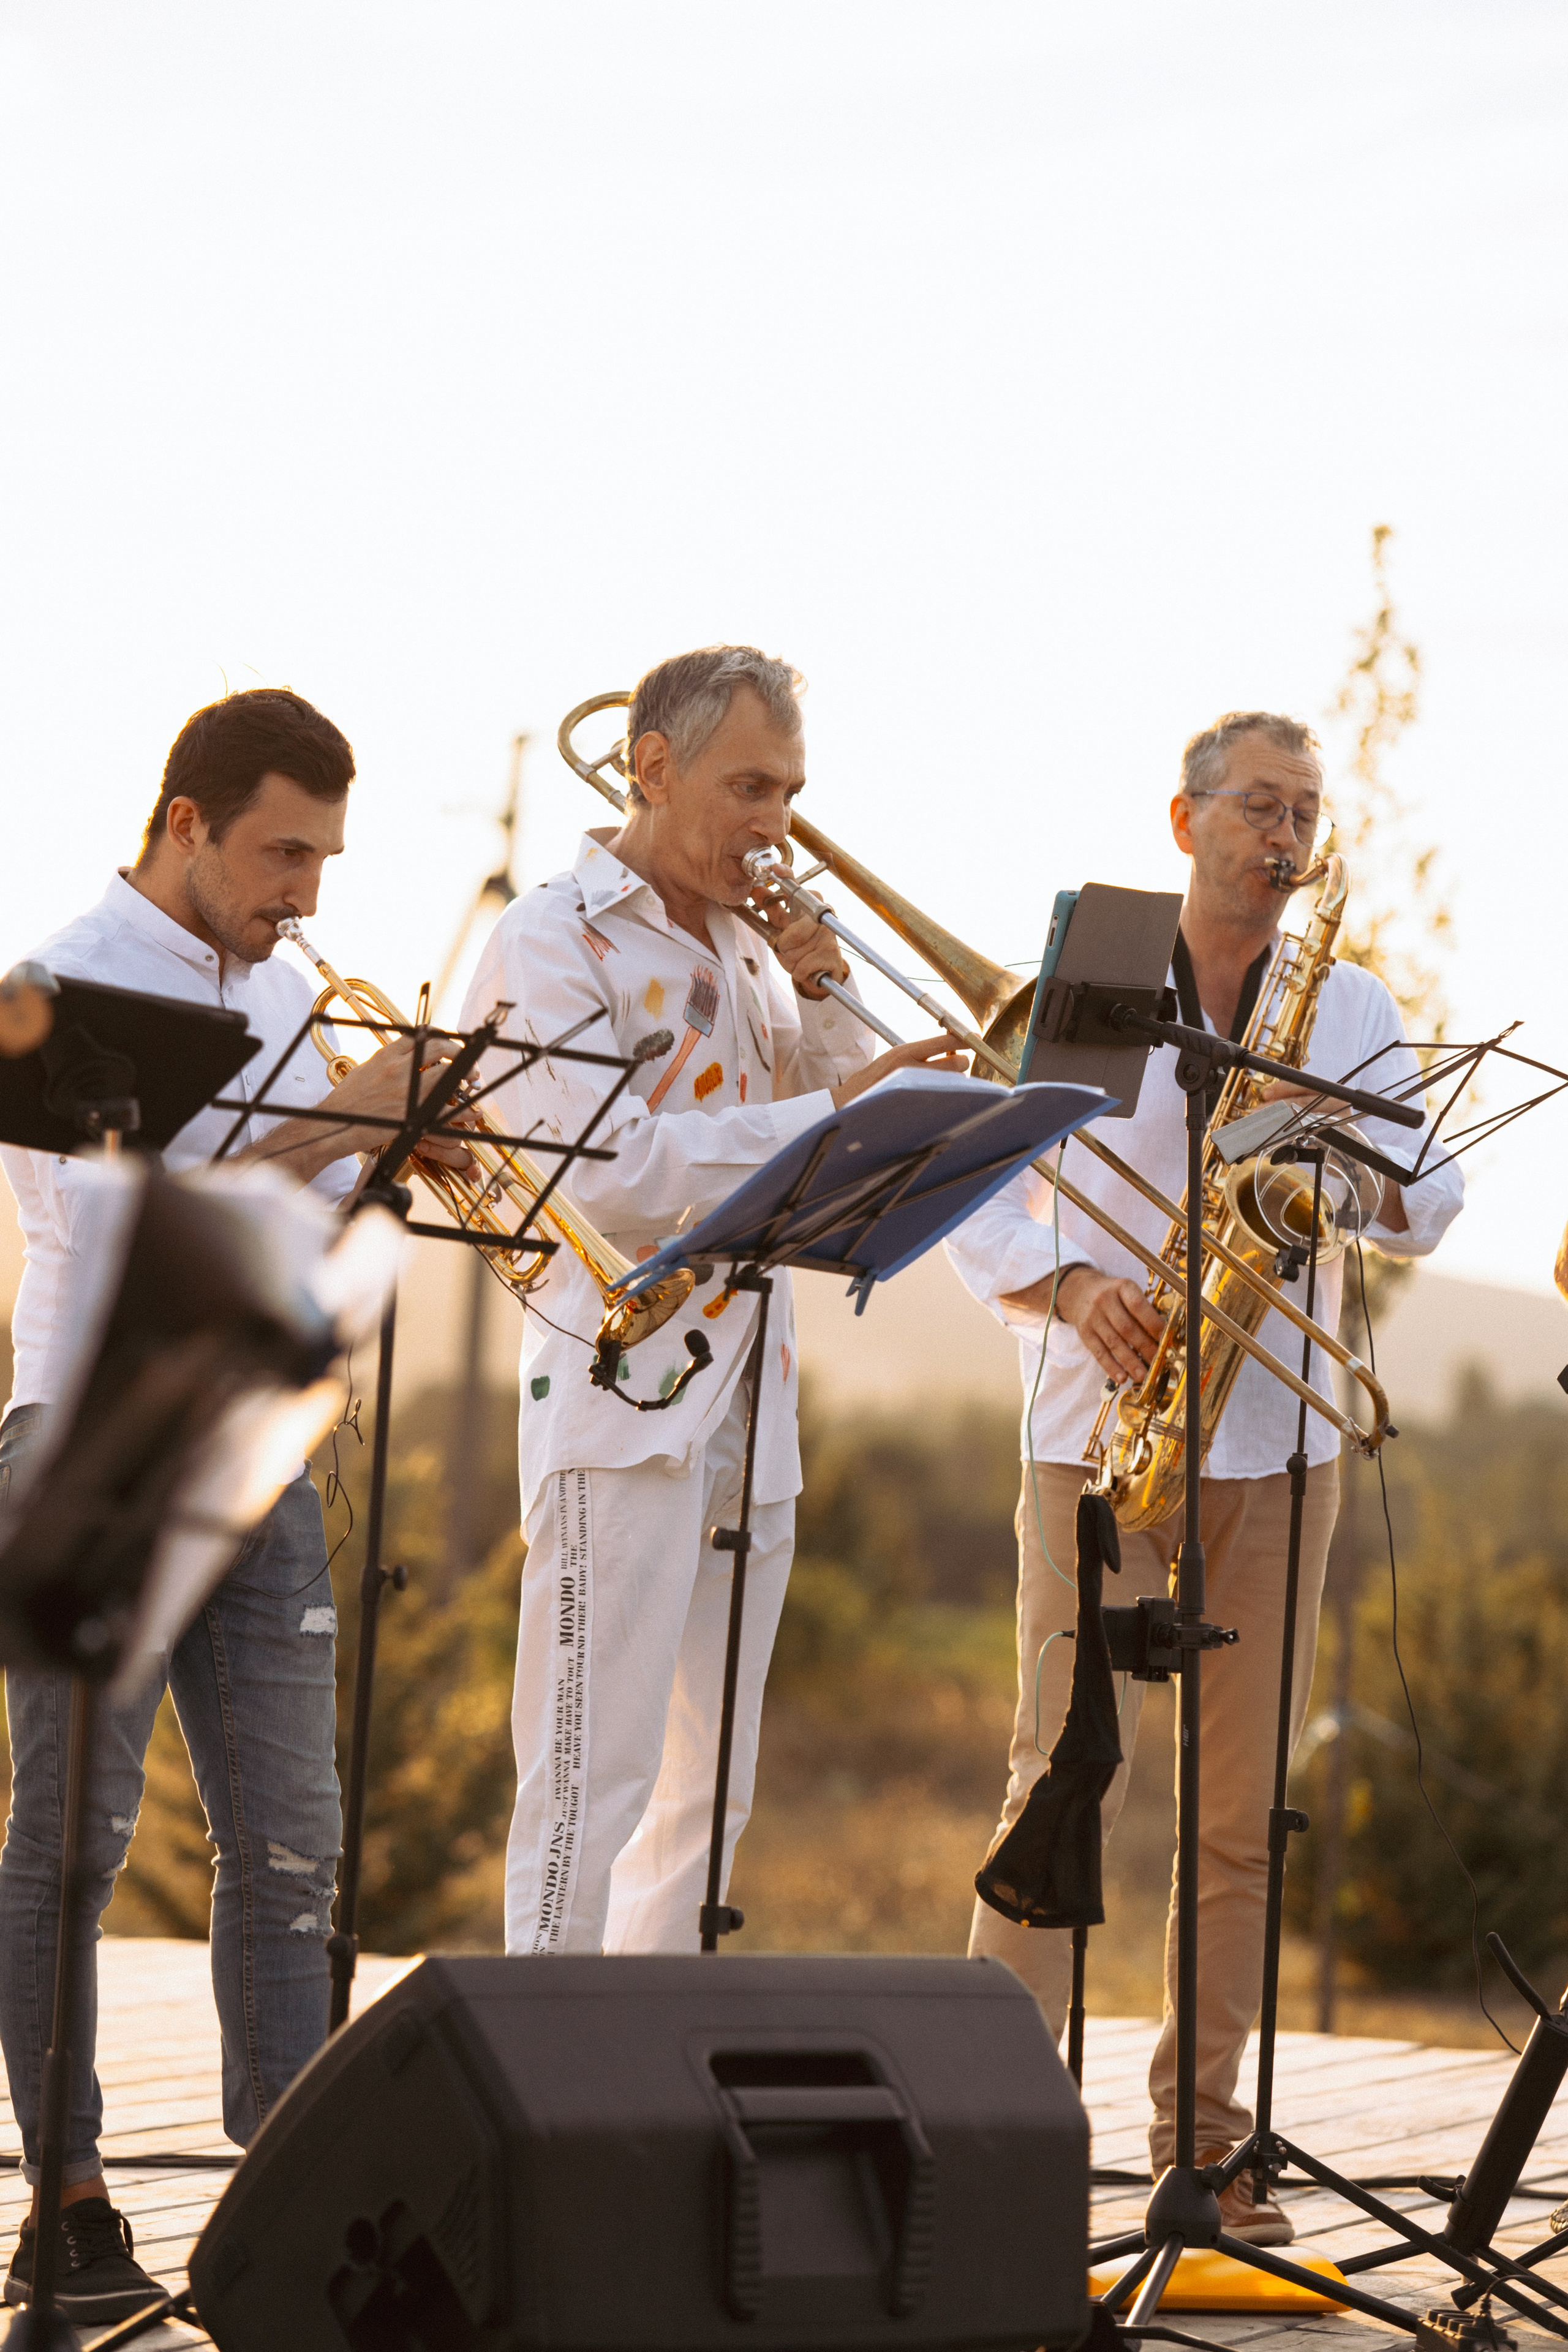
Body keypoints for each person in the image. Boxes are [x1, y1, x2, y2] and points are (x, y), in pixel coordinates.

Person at [946, 710, 1464, 2240]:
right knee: (1055, 1776)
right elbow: (975, 1176)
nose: (1284, 834)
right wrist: (1064, 1289)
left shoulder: (1348, 1001)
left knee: (1237, 1815)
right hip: (1094, 1432)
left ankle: (1208, 2147)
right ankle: (989, 2142)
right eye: (1256, 805)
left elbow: (1430, 1193)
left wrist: (1332, 1168)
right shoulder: (1089, 969)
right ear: (1182, 823)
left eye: (1305, 811)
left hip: (1274, 1441)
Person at [0, 687, 465, 2322]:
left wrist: (410, 1142)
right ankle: (62, 2200)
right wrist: (347, 1114)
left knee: (291, 1852)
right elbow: (123, 1216)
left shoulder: (278, 989)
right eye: (284, 851)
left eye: (328, 859)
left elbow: (319, 1205)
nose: (309, 895)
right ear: (185, 821)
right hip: (95, 1437)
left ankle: (296, 2205)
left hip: (264, 1451)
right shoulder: (57, 986)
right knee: (76, 1839)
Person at [463, 644, 960, 1958]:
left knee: (708, 1792)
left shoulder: (750, 950)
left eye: (789, 791)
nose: (774, 824)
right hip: (620, 1397)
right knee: (588, 1780)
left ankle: (645, 2073)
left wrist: (825, 997)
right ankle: (545, 2091)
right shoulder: (546, 936)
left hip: (755, 1402)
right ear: (650, 766)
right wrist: (828, 1105)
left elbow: (846, 1136)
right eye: (748, 785)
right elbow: (615, 1179)